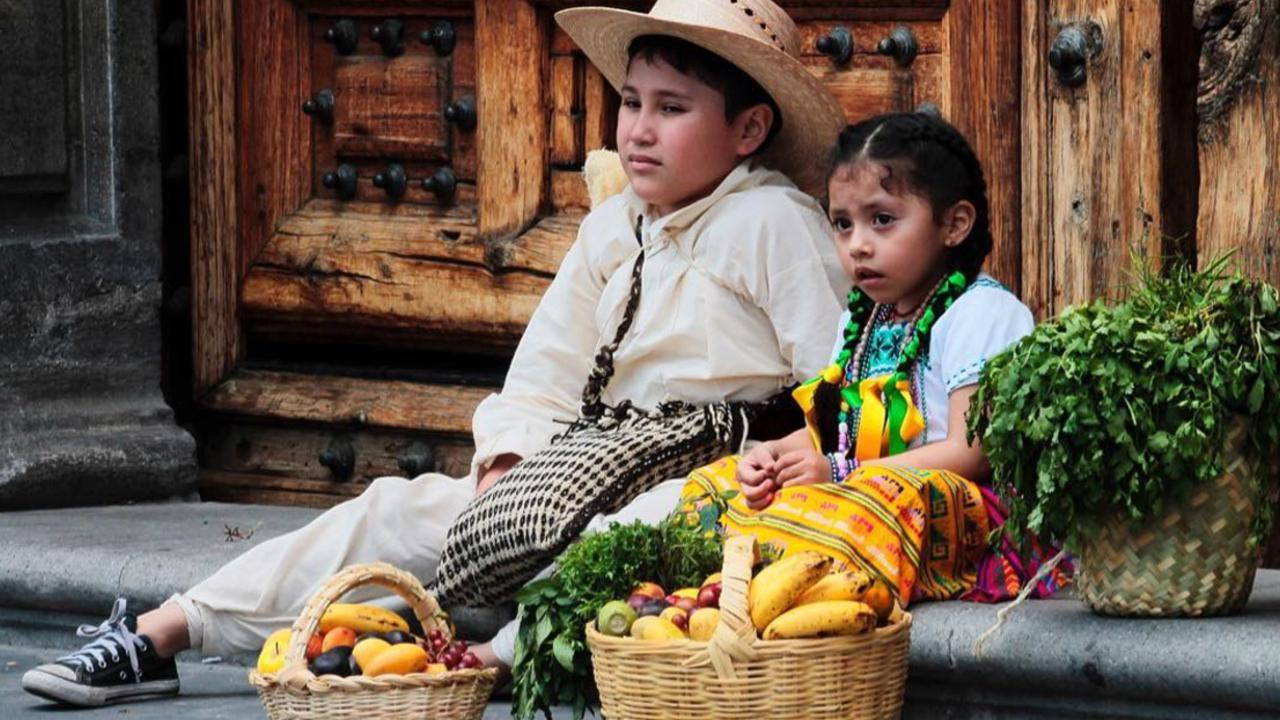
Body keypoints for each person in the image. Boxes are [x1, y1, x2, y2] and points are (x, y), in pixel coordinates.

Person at [22, 0, 848, 707]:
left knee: (634, 540)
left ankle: (481, 665)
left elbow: (841, 376)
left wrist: (795, 456)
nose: (639, 129)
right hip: (582, 465)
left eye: (673, 109)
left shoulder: (772, 225)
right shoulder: (615, 224)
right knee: (396, 509)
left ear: (748, 128)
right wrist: (505, 464)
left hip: (704, 482)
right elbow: (549, 365)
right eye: (631, 102)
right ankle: (163, 633)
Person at [683, 112, 1071, 606]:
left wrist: (841, 474)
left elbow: (971, 453)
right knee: (711, 487)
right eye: (842, 224)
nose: (858, 245)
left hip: (950, 505)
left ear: (954, 224)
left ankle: (799, 582)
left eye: (882, 220)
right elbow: (839, 427)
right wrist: (776, 455)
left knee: (874, 505)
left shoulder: (981, 313)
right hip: (862, 486)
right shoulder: (863, 319)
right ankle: (754, 592)